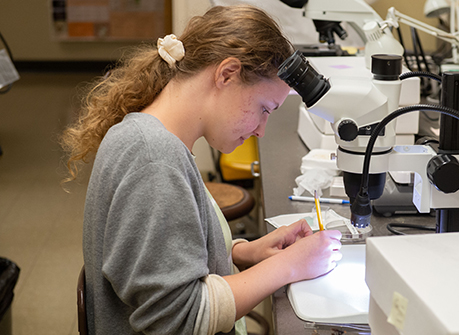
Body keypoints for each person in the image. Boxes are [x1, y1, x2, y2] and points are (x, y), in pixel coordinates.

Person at [60, 5, 342, 335]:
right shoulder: (155, 161)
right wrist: (290, 265)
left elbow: (167, 251)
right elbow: (178, 319)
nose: (261, 130)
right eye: (263, 109)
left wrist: (243, 252)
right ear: (226, 74)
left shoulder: (155, 137)